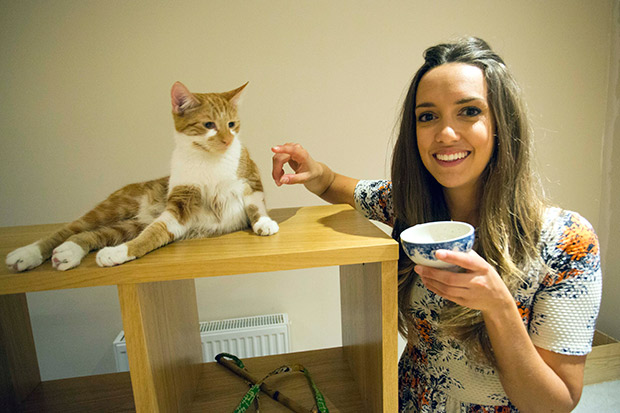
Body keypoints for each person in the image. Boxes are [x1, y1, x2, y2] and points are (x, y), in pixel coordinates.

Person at [271, 37, 602, 412]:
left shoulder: (567, 242)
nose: (445, 133)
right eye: (427, 116)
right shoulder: (411, 207)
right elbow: (336, 186)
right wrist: (315, 171)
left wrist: (499, 309)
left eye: (469, 111)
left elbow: (554, 404)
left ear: (501, 123)